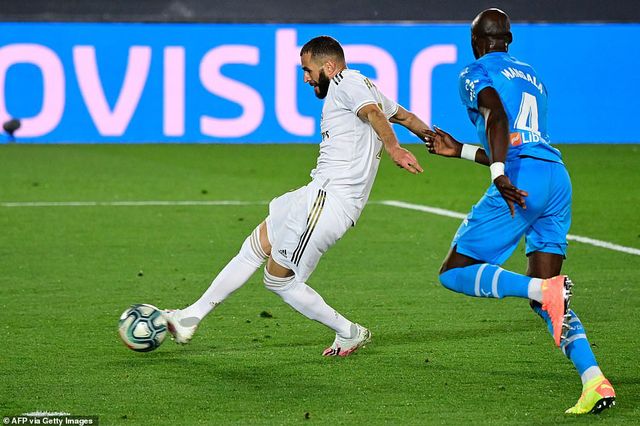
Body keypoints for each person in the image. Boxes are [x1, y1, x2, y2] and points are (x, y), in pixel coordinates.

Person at [164, 35, 428, 357]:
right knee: (254, 246)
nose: (305, 77)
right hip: (313, 194)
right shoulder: (361, 86)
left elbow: (374, 114)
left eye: (307, 69)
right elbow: (404, 117)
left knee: (278, 281)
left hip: (329, 201)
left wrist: (394, 147)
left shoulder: (347, 81)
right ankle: (190, 317)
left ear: (328, 67)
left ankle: (349, 332)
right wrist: (439, 141)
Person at [423, 8, 616, 414]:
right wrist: (459, 150)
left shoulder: (474, 72)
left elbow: (497, 117)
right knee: (549, 299)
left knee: (455, 271)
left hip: (520, 180)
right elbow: (517, 138)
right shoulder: (533, 77)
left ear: (477, 42)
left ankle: (540, 289)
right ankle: (594, 380)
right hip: (555, 178)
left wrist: (496, 174)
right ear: (508, 40)